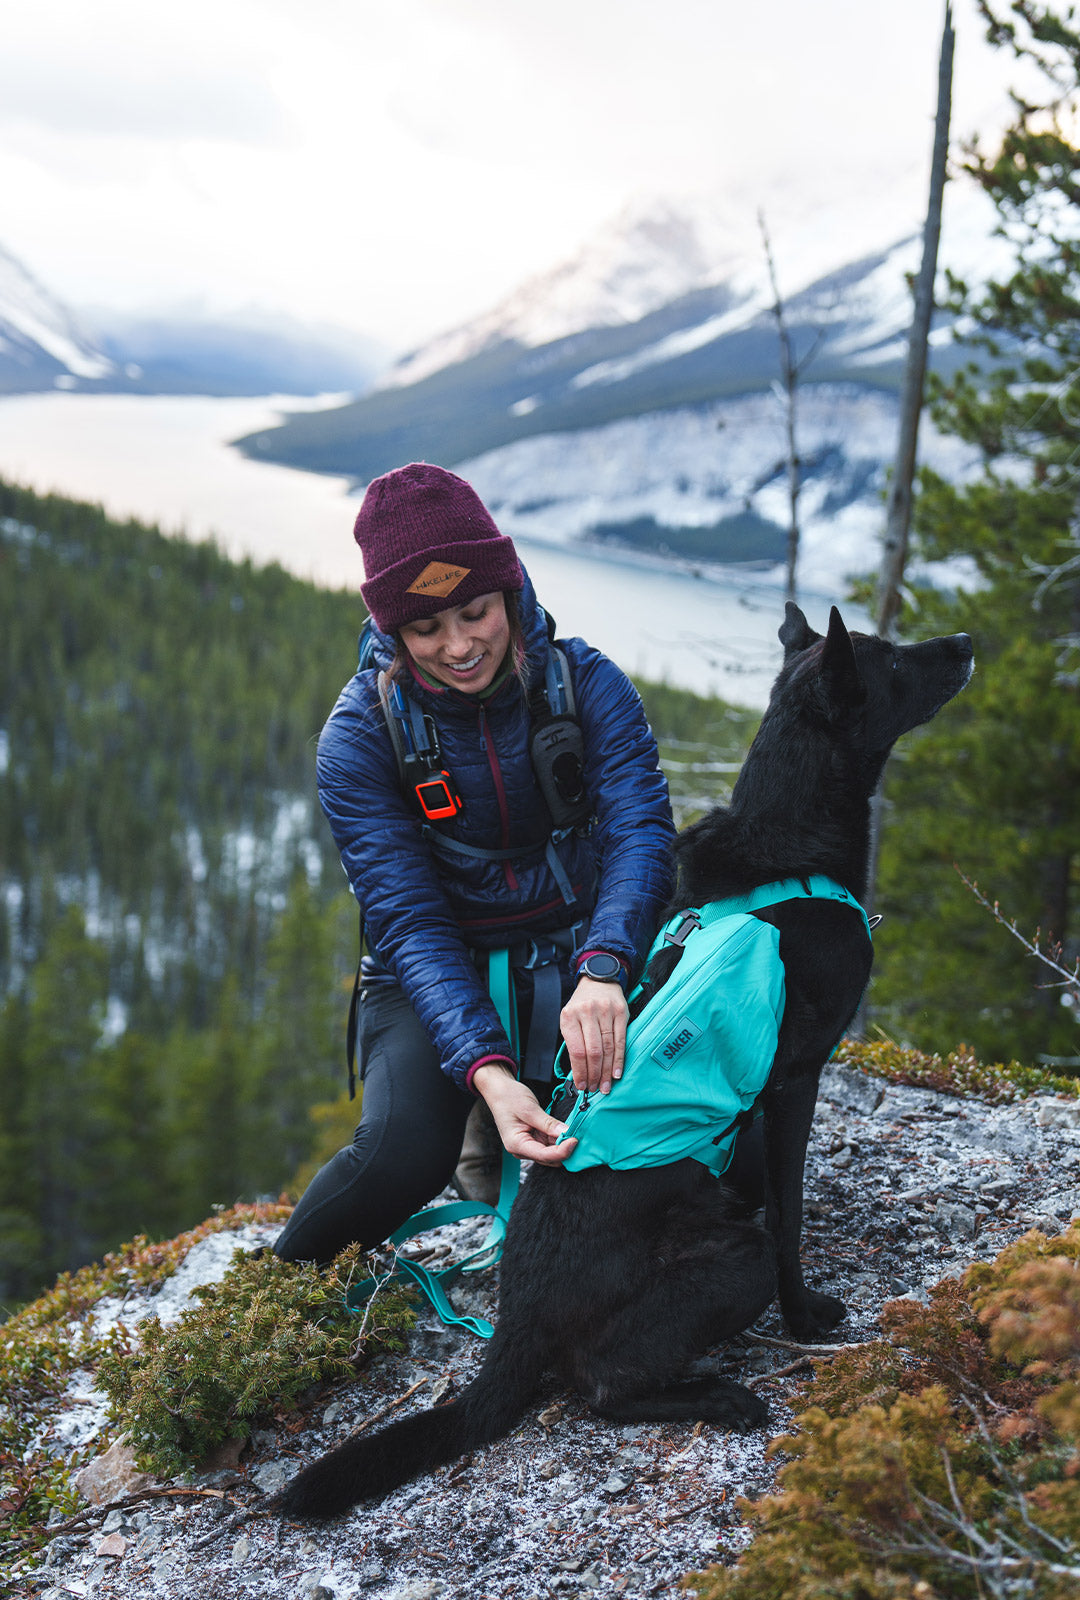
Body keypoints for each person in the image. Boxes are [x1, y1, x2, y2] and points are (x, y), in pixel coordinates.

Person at [274, 463, 676, 1264]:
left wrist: (605, 967)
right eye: (427, 629)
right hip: (434, 963)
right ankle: (273, 1304)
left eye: (476, 611)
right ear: (392, 632)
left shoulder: (586, 683)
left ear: (510, 593)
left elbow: (641, 832)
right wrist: (487, 1071)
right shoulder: (359, 738)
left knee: (679, 1115)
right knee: (401, 1155)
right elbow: (409, 921)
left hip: (588, 944)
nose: (459, 646)